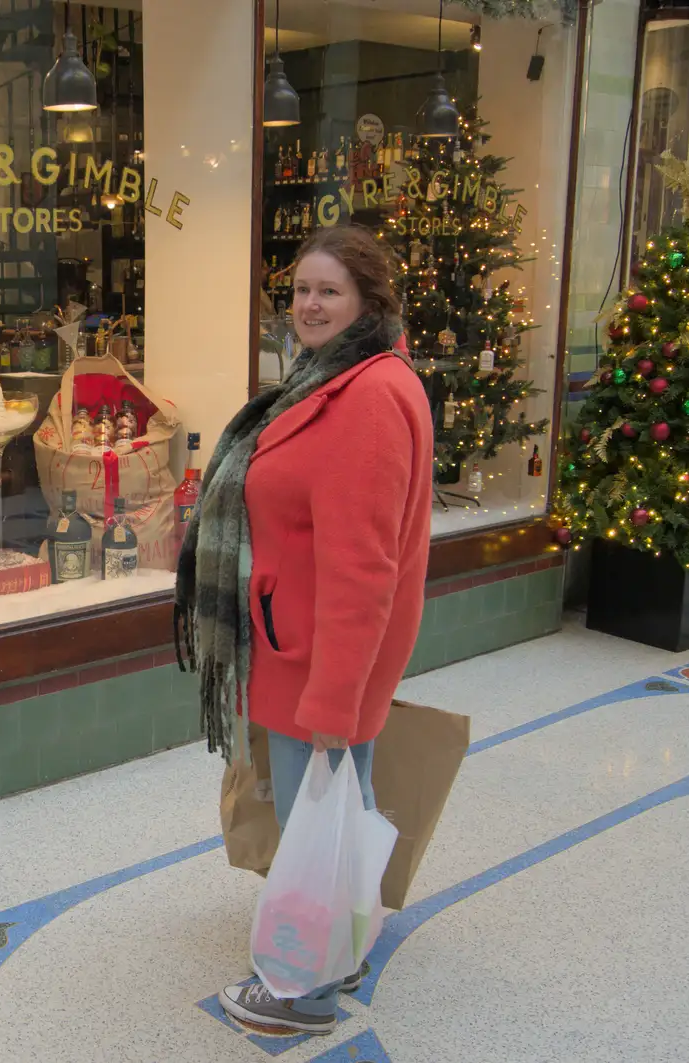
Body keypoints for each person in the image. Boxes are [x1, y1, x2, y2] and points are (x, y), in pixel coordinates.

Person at [173, 224, 434, 1035]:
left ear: (367, 300)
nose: (310, 305)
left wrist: (333, 696)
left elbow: (365, 569)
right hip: (306, 649)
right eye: (300, 291)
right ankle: (341, 948)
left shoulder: (369, 397)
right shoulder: (337, 380)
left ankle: (302, 991)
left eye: (329, 291)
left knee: (312, 819)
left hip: (317, 658)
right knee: (336, 814)